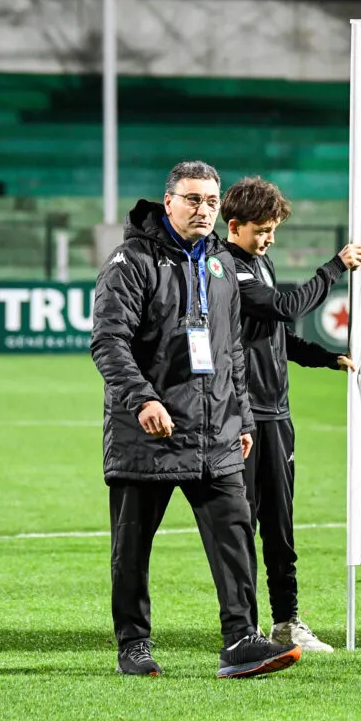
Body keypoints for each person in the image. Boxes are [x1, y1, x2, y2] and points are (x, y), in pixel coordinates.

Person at [91, 160, 303, 679]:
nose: (203, 210)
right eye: (192, 199)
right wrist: (143, 400)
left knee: (235, 536)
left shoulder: (222, 262)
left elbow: (231, 350)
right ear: (168, 202)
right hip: (149, 432)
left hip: (217, 431)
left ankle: (241, 640)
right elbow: (109, 341)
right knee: (133, 545)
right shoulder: (131, 261)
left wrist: (244, 418)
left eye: (210, 201)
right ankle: (134, 645)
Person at [221, 176, 361, 653]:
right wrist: (334, 268)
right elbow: (285, 308)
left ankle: (286, 623)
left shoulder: (261, 262)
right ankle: (245, 631)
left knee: (280, 526)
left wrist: (325, 357)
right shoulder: (226, 268)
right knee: (243, 525)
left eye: (273, 231)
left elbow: (276, 336)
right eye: (261, 230)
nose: (268, 239)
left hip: (278, 416)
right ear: (234, 226)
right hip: (242, 417)